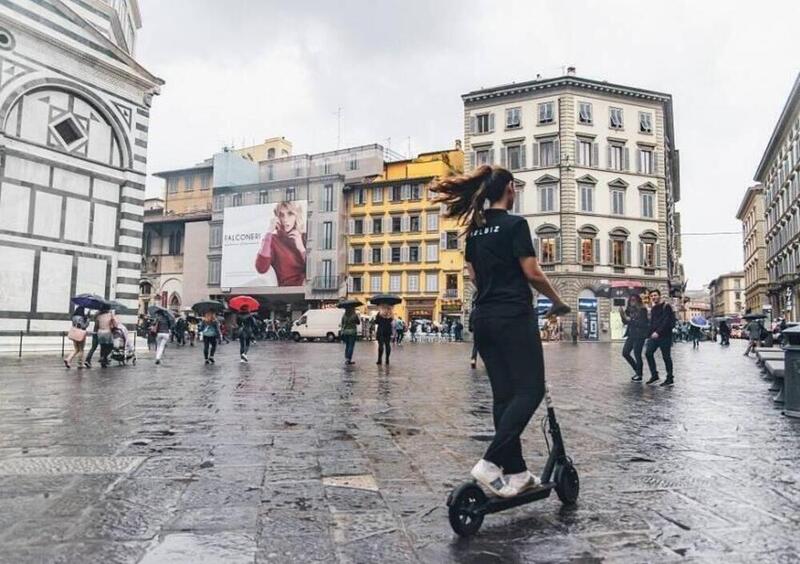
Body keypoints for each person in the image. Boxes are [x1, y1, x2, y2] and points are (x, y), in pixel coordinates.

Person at [431, 164, 570, 498]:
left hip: (484, 318)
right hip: (512, 316)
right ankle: (491, 463)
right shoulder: (515, 224)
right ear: (509, 188)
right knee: (532, 389)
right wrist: (557, 300)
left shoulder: (474, 231)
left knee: (505, 396)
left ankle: (518, 472)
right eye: (516, 186)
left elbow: (474, 277)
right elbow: (532, 272)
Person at [254, 201, 307, 286]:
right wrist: (269, 232)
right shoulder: (273, 240)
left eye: (290, 214)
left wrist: (301, 248)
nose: (285, 219)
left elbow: (315, 271)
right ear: (277, 218)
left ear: (297, 216)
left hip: (307, 288)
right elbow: (261, 268)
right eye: (282, 215)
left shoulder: (305, 237)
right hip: (288, 290)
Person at [644, 289, 675, 386]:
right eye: (651, 296)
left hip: (665, 336)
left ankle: (670, 378)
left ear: (659, 296)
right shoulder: (653, 309)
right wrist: (648, 335)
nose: (653, 297)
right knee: (648, 353)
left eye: (655, 295)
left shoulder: (667, 307)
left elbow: (666, 321)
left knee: (666, 357)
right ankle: (654, 375)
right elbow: (652, 323)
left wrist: (658, 332)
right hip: (654, 336)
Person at [620, 295, 649, 382]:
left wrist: (630, 320)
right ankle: (637, 369)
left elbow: (643, 324)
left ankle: (639, 375)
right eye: (630, 300)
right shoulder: (629, 309)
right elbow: (625, 321)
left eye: (633, 300)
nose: (632, 301)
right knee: (625, 353)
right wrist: (621, 314)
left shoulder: (643, 309)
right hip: (631, 334)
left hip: (640, 335)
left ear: (638, 300)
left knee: (637, 354)